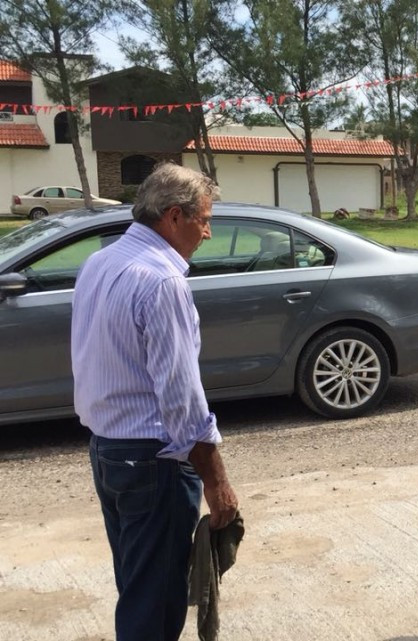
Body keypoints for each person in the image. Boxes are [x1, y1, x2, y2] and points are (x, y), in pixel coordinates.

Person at [72, 163, 240, 641]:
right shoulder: (162, 282)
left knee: (139, 586)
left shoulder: (101, 261)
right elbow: (182, 399)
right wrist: (217, 481)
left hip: (108, 451)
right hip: (153, 463)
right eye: (204, 220)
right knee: (156, 602)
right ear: (173, 217)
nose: (207, 233)